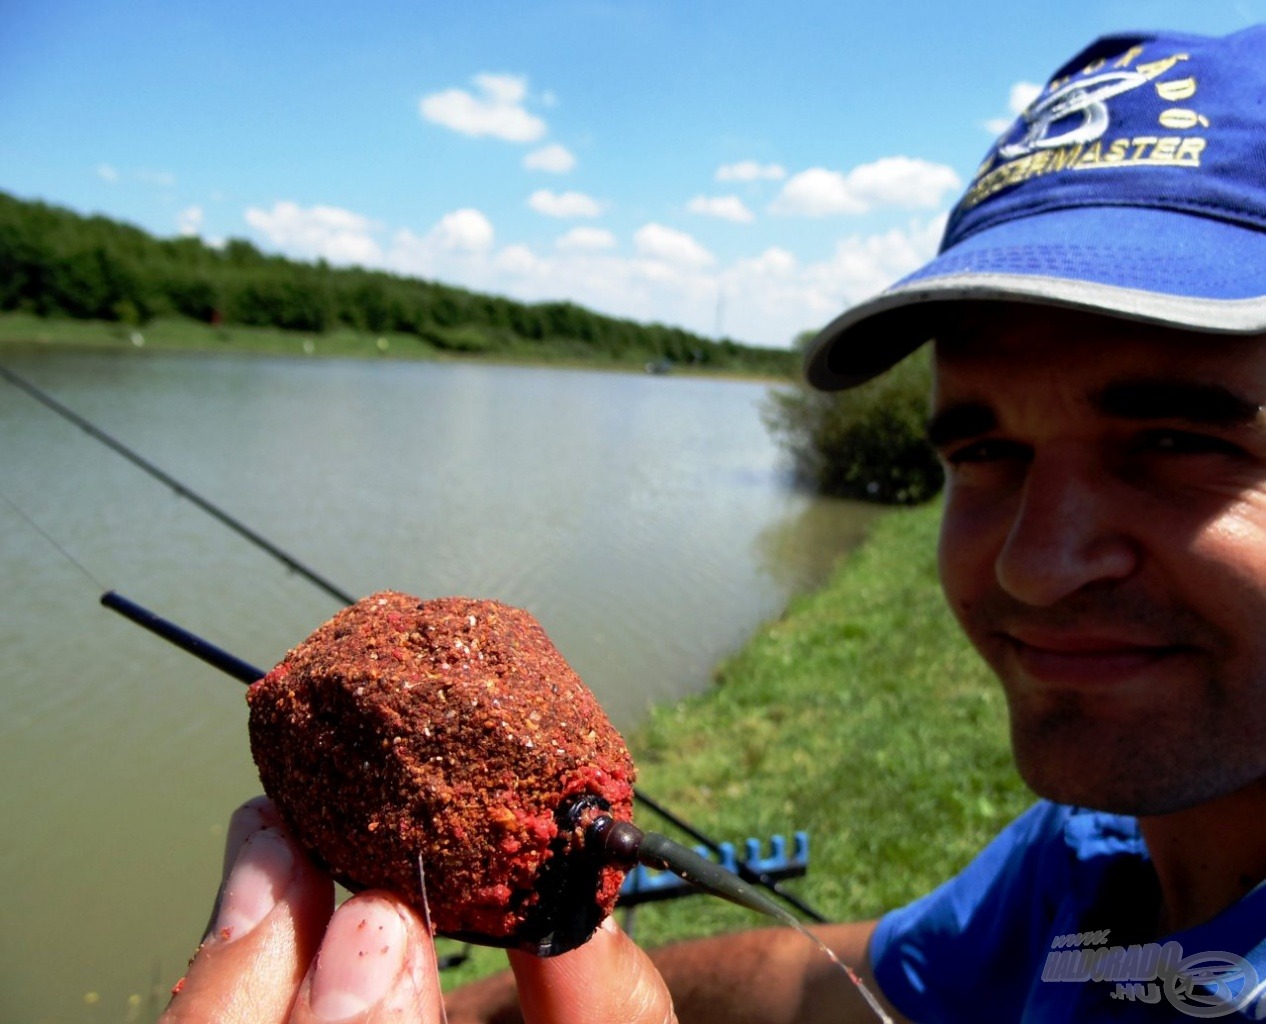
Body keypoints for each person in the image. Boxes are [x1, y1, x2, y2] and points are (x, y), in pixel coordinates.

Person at [160, 23, 1266, 1023]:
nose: (1033, 565)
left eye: (1182, 440)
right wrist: (486, 1009)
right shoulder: (1086, 871)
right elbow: (833, 979)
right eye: (984, 452)